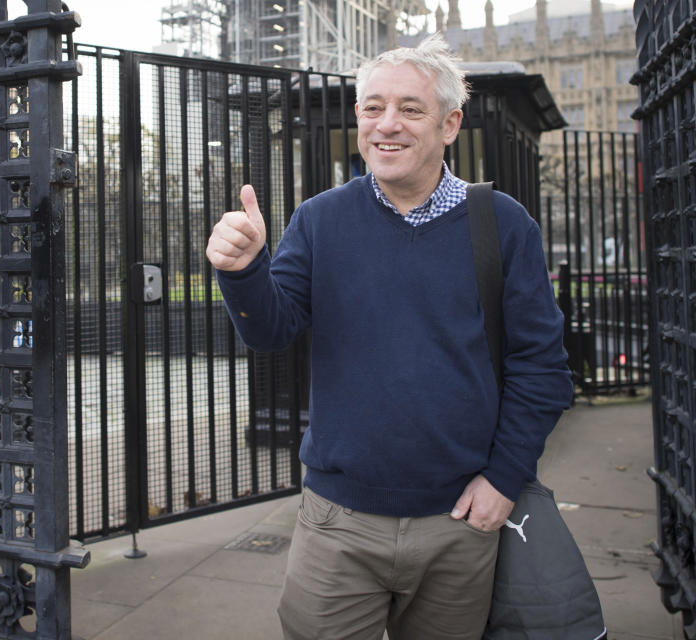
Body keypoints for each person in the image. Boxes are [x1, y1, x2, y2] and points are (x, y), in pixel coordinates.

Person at [205, 34, 573, 640]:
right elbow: (271, 332)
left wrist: (505, 479)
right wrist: (243, 271)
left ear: (451, 123)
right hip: (338, 523)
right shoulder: (319, 219)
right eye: (373, 107)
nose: (387, 125)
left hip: (461, 520)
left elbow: (542, 368)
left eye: (411, 108)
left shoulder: (502, 224)